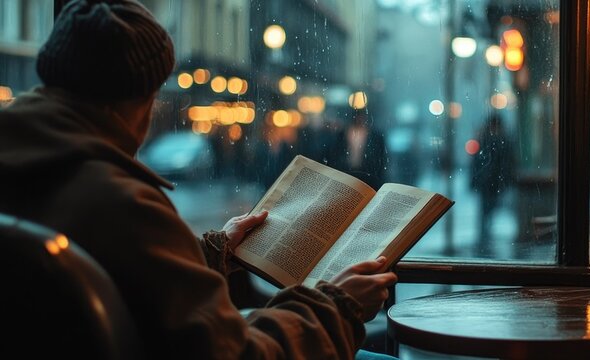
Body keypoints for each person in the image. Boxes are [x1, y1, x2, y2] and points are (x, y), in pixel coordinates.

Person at [0, 1, 397, 359]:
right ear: (139, 100)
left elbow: (130, 274)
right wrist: (337, 304)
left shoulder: (28, 165)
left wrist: (212, 251)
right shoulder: (123, 204)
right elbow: (238, 354)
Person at [470, 114, 515, 256]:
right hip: (493, 181)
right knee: (489, 206)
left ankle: (484, 232)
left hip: (487, 181)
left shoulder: (484, 138)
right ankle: (486, 231)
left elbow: (476, 162)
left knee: (485, 208)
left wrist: (474, 180)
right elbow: (508, 162)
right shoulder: (503, 140)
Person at [330, 109, 388, 189]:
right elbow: (336, 152)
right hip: (347, 172)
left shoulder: (374, 136)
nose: (360, 119)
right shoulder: (344, 133)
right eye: (358, 117)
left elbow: (380, 158)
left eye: (362, 117)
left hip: (367, 173)